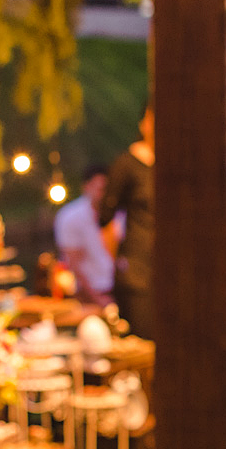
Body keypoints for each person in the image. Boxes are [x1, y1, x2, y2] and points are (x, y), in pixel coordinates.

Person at [99, 105, 155, 339]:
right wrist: (118, 262)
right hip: (137, 270)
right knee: (143, 338)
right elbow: (105, 219)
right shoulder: (127, 164)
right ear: (145, 123)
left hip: (172, 268)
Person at [53, 165, 123, 306]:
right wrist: (96, 299)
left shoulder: (120, 214)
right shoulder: (70, 217)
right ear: (86, 187)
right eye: (101, 189)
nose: (105, 195)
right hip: (88, 296)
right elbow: (73, 263)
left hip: (121, 291)